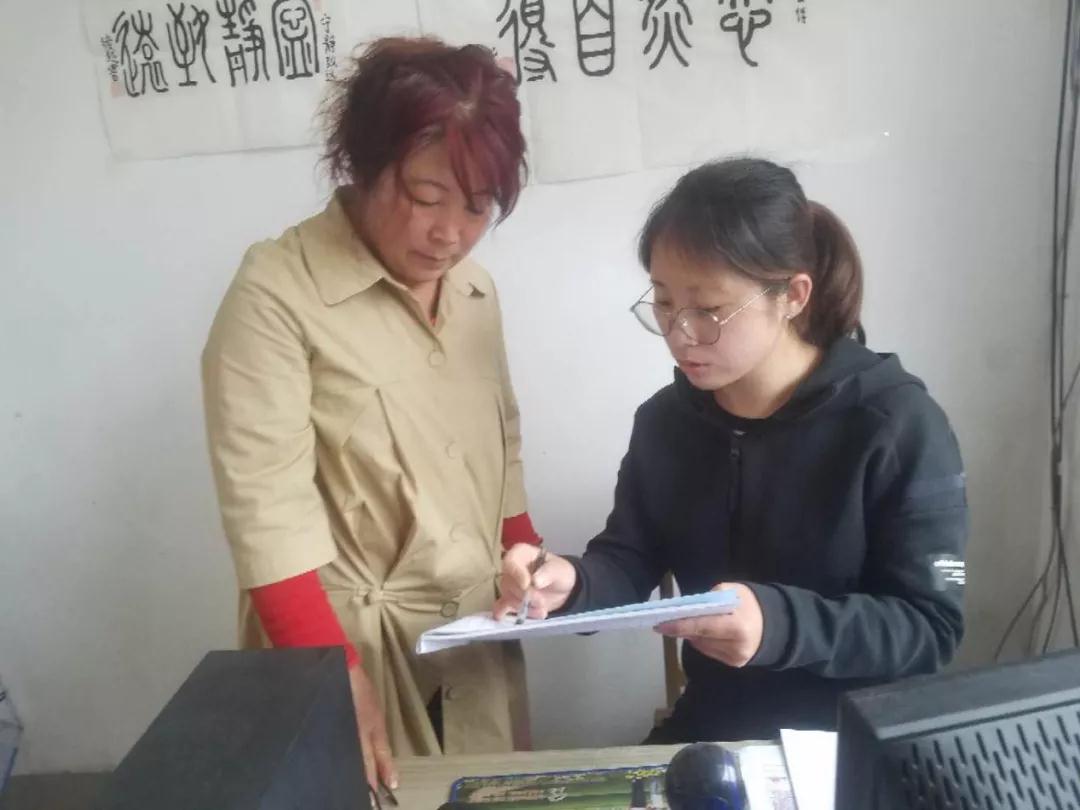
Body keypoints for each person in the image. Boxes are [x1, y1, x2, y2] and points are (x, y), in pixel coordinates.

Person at [496, 157, 968, 742]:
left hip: (850, 740)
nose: (680, 334)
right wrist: (569, 583)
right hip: (715, 730)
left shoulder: (894, 424)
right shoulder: (667, 423)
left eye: (709, 310)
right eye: (664, 303)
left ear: (792, 295)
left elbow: (929, 627)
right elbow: (628, 559)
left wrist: (778, 626)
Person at [202, 37, 541, 790]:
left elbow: (501, 444)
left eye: (478, 206)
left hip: (474, 636)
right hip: (346, 649)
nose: (450, 233)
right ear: (362, 164)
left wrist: (527, 556)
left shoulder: (475, 291)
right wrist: (332, 676)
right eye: (425, 196)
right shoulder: (275, 294)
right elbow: (266, 513)